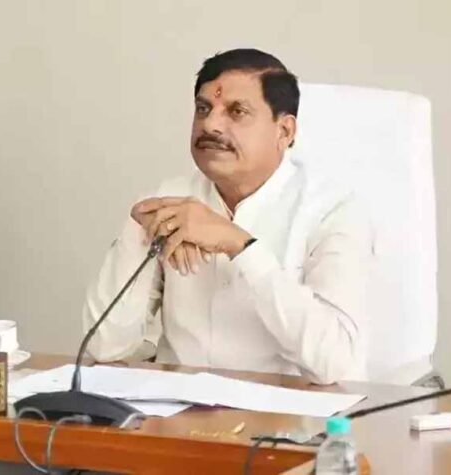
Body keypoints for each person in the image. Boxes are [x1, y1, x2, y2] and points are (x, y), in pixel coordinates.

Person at [81, 48, 373, 384]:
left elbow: (336, 363)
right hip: (174, 407)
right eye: (203, 108)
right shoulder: (168, 201)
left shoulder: (333, 211)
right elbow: (105, 346)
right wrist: (140, 234)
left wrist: (239, 244)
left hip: (284, 411)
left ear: (284, 131)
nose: (210, 124)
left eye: (237, 112)